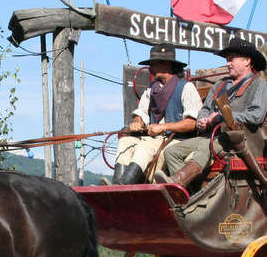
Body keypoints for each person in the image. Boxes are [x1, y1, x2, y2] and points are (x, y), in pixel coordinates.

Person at [155, 39, 267, 188]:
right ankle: (188, 193)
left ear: (247, 61)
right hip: (214, 136)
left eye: (231, 59)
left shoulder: (260, 85)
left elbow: (256, 115)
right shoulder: (220, 85)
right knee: (171, 152)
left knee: (206, 147)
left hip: (240, 140)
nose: (228, 64)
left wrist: (224, 117)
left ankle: (177, 183)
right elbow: (205, 109)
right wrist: (203, 119)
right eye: (227, 60)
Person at [112, 43, 202, 184]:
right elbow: (141, 113)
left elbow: (192, 123)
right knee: (125, 141)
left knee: (144, 147)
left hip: (178, 141)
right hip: (154, 139)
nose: (150, 68)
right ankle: (116, 186)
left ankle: (126, 186)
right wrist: (137, 122)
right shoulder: (151, 89)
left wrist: (163, 127)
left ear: (167, 65)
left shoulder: (186, 87)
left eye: (153, 64)